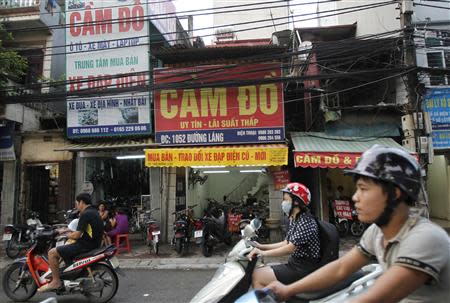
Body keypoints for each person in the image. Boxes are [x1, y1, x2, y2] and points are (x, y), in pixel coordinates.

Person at [267, 145, 450, 302]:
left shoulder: (425, 239)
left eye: (363, 189)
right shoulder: (377, 232)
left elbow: (375, 299)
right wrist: (289, 290)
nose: (355, 197)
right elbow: (340, 268)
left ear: (395, 193)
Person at [248, 182, 321, 289]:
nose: (283, 203)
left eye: (286, 200)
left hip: (303, 268)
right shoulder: (295, 218)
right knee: (261, 272)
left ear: (296, 202)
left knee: (257, 276)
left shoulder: (306, 221)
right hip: (295, 264)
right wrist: (260, 246)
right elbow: (286, 242)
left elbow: (289, 248)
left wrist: (262, 253)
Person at [38, 193, 104, 292]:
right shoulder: (94, 212)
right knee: (66, 250)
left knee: (52, 253)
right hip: (94, 243)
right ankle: (70, 275)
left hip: (85, 245)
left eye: (77, 203)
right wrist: (66, 231)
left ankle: (56, 281)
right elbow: (85, 230)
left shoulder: (85, 214)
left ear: (82, 202)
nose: (77, 206)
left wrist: (64, 236)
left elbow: (77, 235)